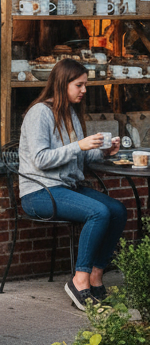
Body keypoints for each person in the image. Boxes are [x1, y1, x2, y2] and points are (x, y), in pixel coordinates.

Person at [19, 58, 127, 310]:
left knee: (118, 211)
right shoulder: (39, 113)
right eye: (79, 85)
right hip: (39, 192)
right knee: (98, 213)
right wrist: (78, 145)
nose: (84, 90)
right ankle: (79, 280)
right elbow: (40, 159)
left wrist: (104, 152)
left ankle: (95, 275)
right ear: (62, 84)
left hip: (67, 188)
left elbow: (81, 156)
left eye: (85, 85)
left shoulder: (70, 113)